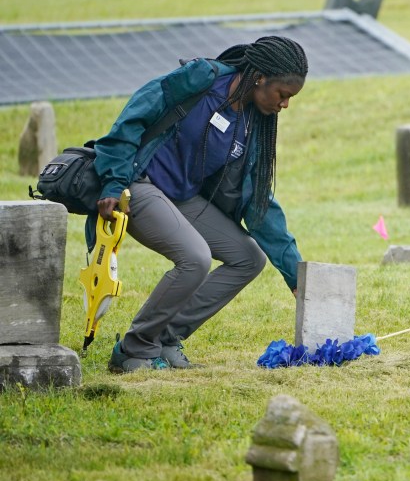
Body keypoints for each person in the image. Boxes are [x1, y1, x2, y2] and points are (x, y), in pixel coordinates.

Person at [89, 35, 308, 373]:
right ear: (260, 76)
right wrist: (115, 181)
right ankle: (134, 348)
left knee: (248, 258)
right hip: (139, 183)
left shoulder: (254, 121)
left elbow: (257, 200)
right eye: (283, 95)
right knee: (194, 257)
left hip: (182, 197)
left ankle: (165, 337)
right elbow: (134, 116)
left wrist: (295, 274)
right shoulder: (201, 80)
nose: (285, 105)